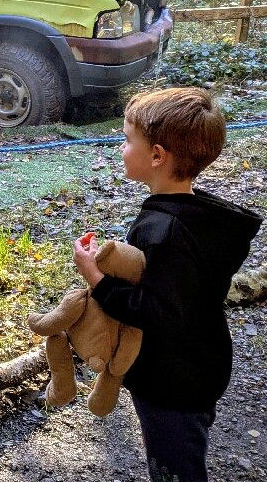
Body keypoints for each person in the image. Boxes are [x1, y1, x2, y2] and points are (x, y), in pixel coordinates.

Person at [74, 87, 262, 482]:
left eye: (128, 140)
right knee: (180, 448)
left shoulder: (165, 231)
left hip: (172, 381)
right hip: (200, 361)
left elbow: (156, 312)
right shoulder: (199, 217)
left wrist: (96, 278)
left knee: (175, 468)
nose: (121, 148)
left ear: (157, 155)